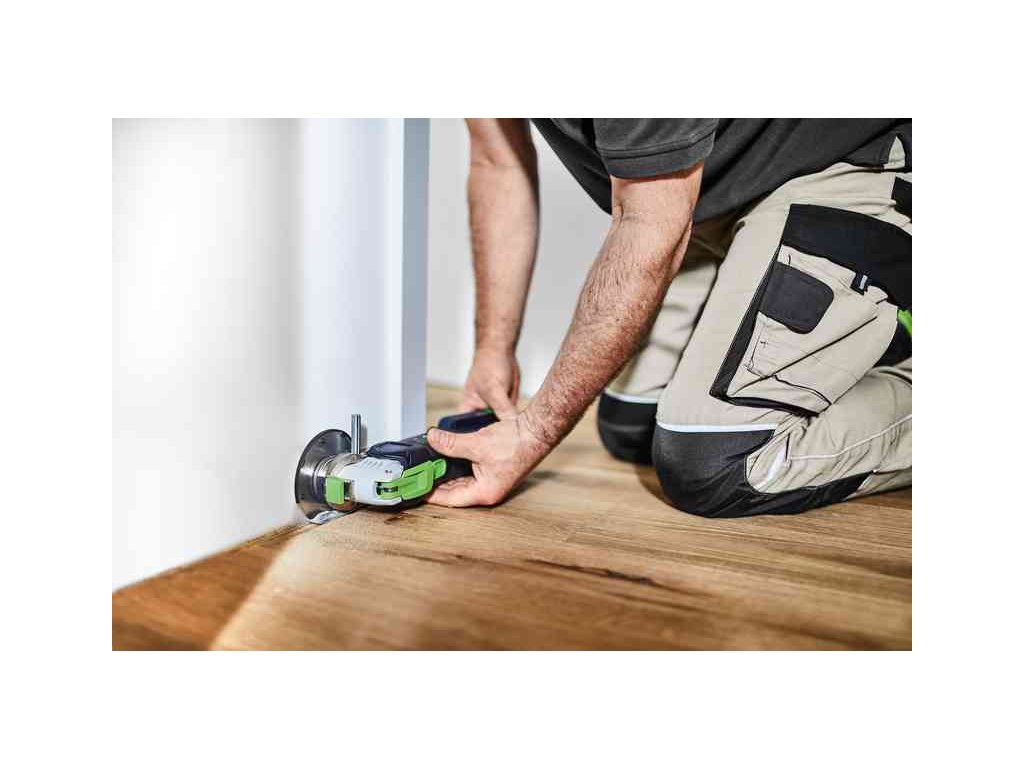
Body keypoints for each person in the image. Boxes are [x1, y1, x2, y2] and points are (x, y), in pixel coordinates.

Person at [426, 119, 911, 518]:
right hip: (717, 197)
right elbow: (498, 163)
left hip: (845, 166)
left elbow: (649, 223)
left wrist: (531, 435)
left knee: (714, 460)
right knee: (631, 425)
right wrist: (493, 349)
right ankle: (854, 343)